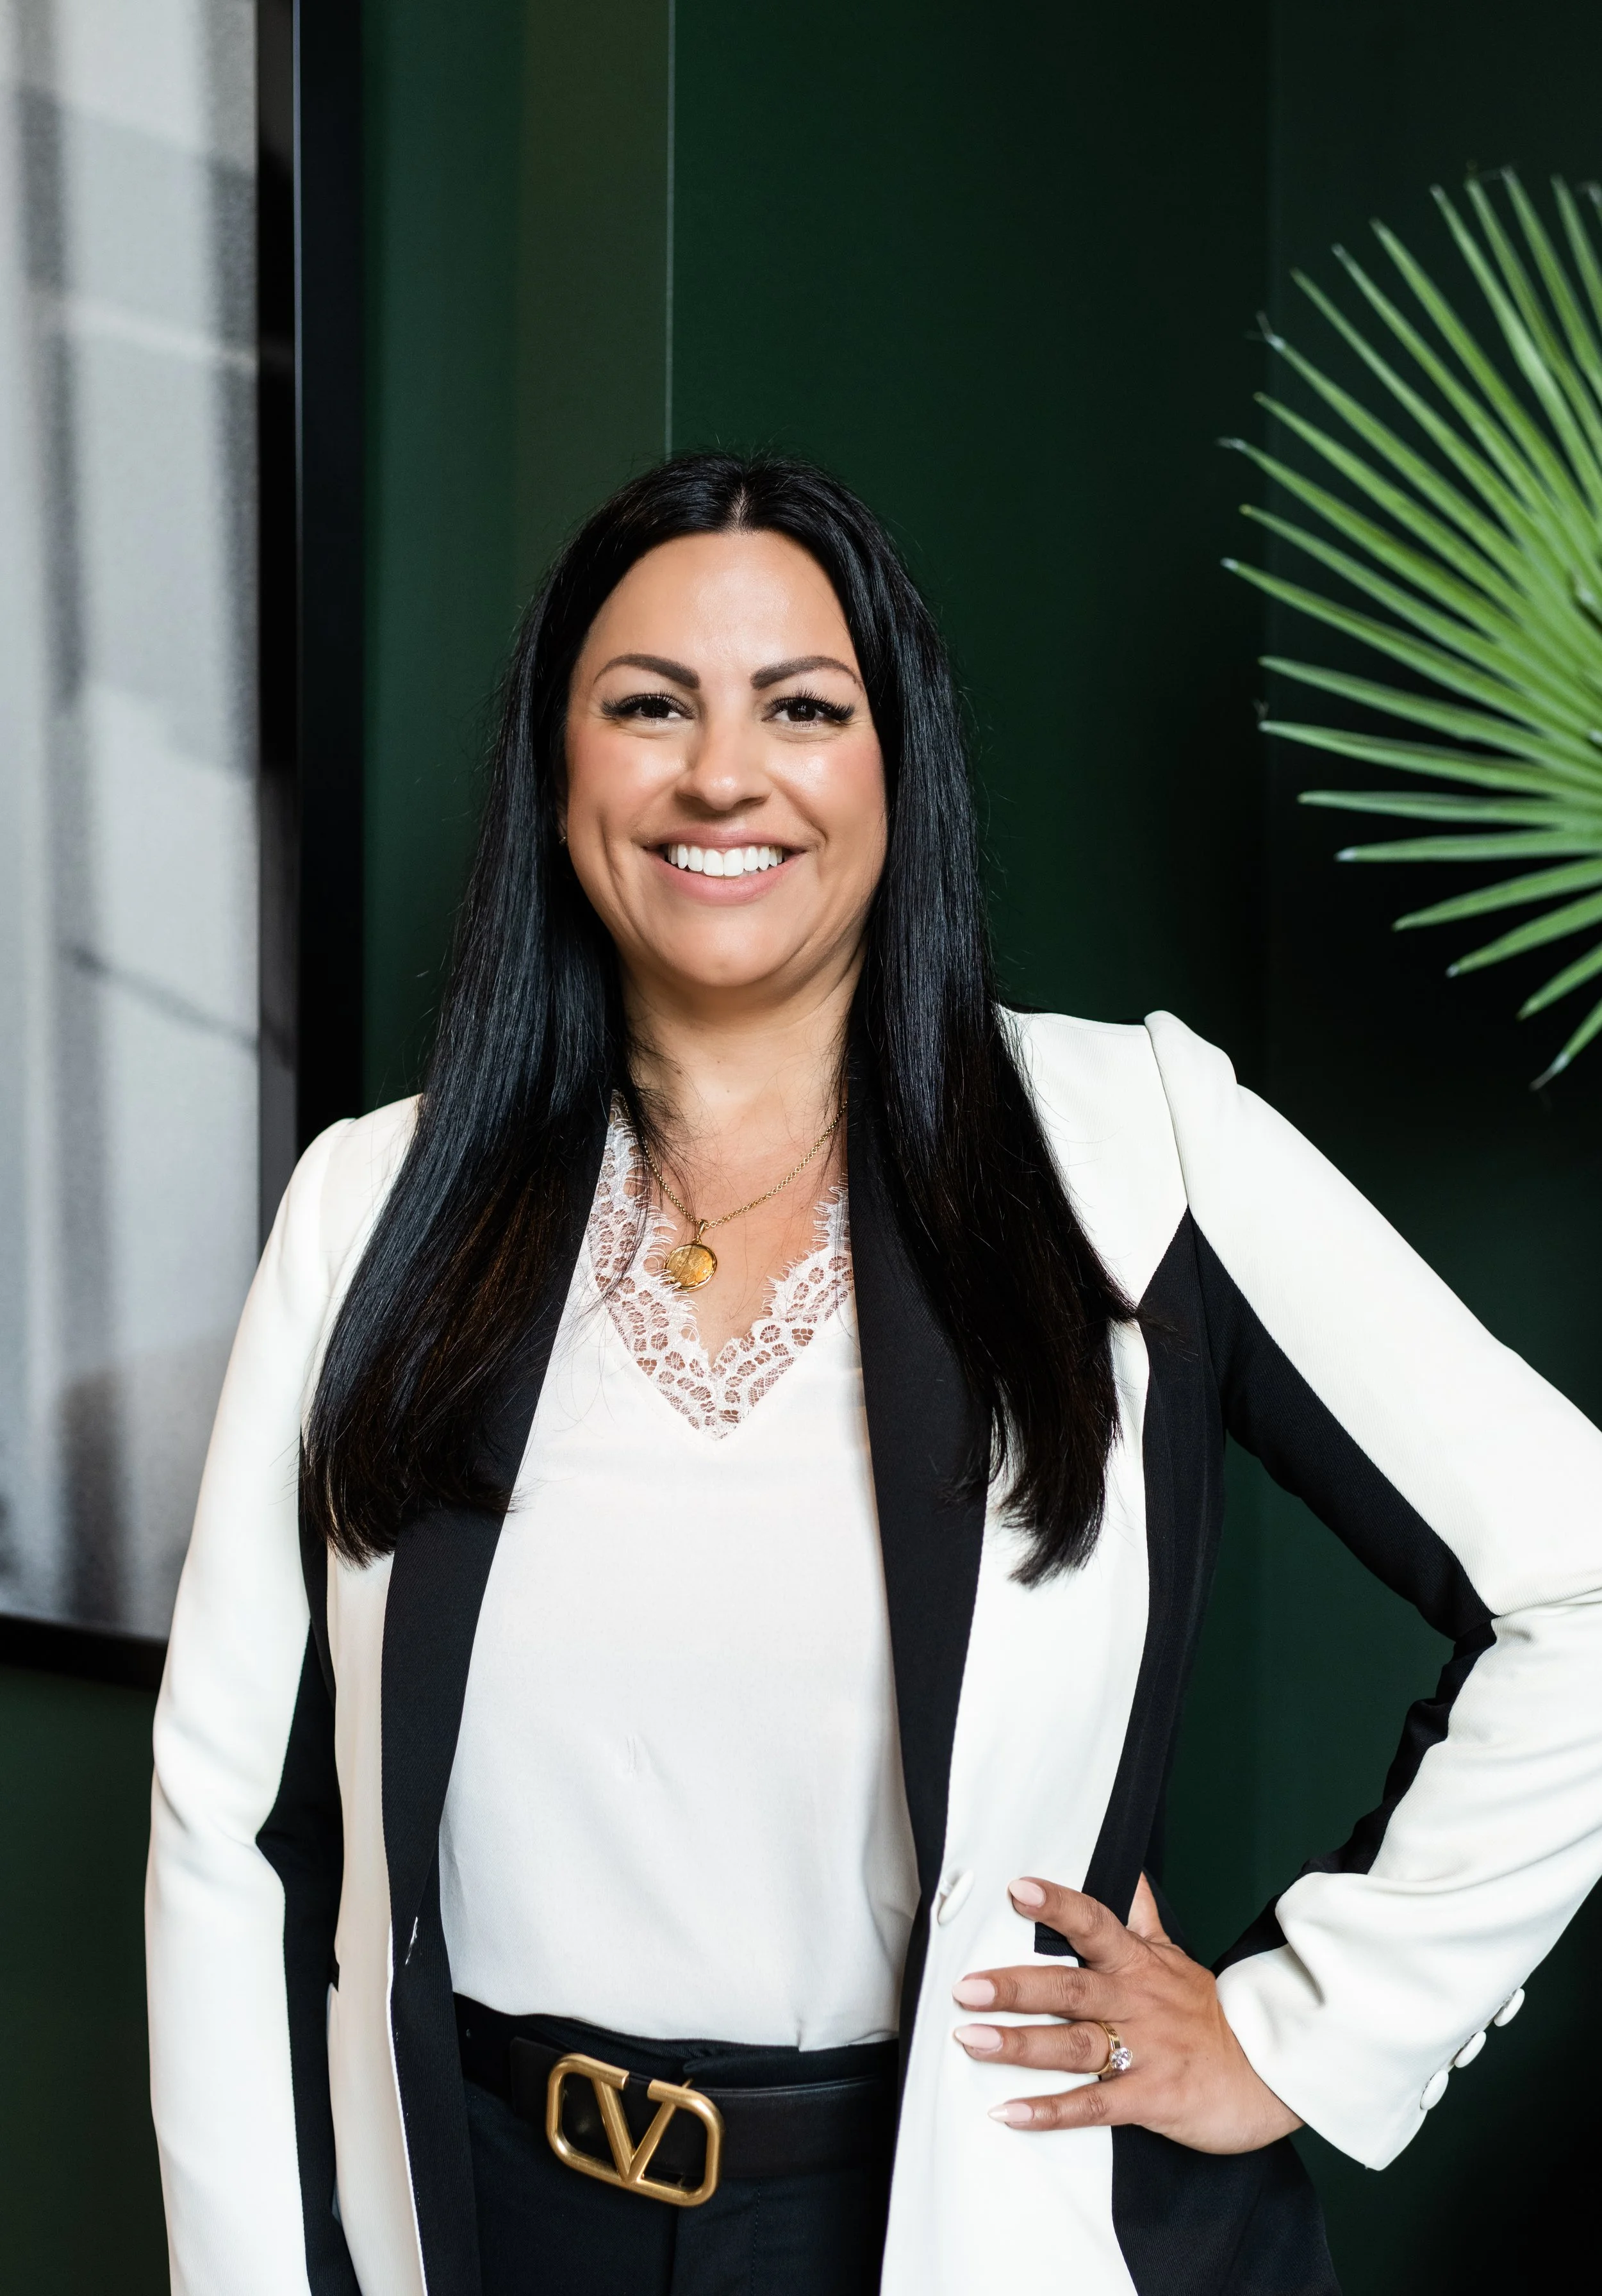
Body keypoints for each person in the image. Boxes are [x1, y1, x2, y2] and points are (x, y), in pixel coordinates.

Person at [146, 452, 1602, 2296]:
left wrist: (1310, 2029)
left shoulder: (1135, 1150)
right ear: (558, 767)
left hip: (985, 2227)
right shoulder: (374, 1204)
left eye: (802, 708)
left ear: (894, 767)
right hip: (493, 2223)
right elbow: (231, 1826)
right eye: (647, 706)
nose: (721, 774)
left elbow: (1580, 1574)